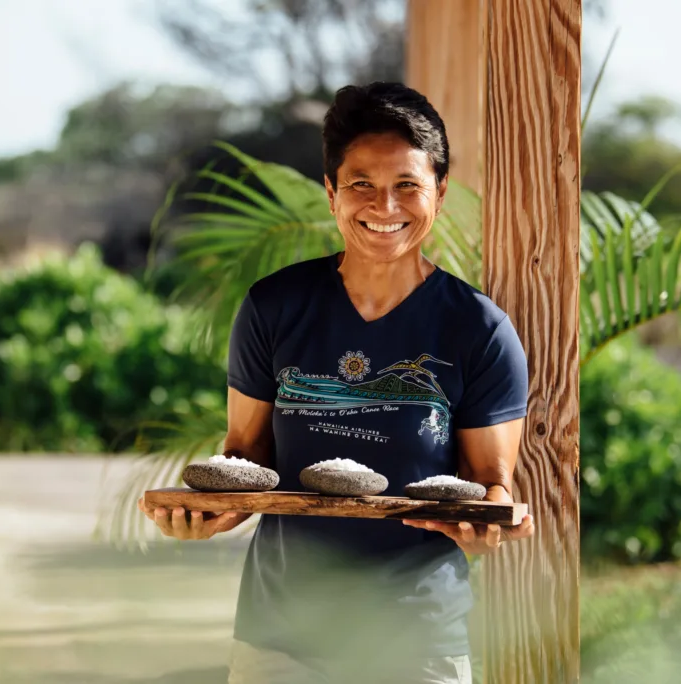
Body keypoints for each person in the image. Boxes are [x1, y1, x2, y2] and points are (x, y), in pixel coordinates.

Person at [138, 81, 536, 684]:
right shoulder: (274, 307)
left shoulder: (478, 328)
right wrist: (211, 514)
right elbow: (246, 456)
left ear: (440, 192)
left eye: (408, 185)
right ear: (331, 193)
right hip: (281, 636)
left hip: (416, 637)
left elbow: (491, 484)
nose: (385, 206)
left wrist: (487, 531)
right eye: (361, 185)